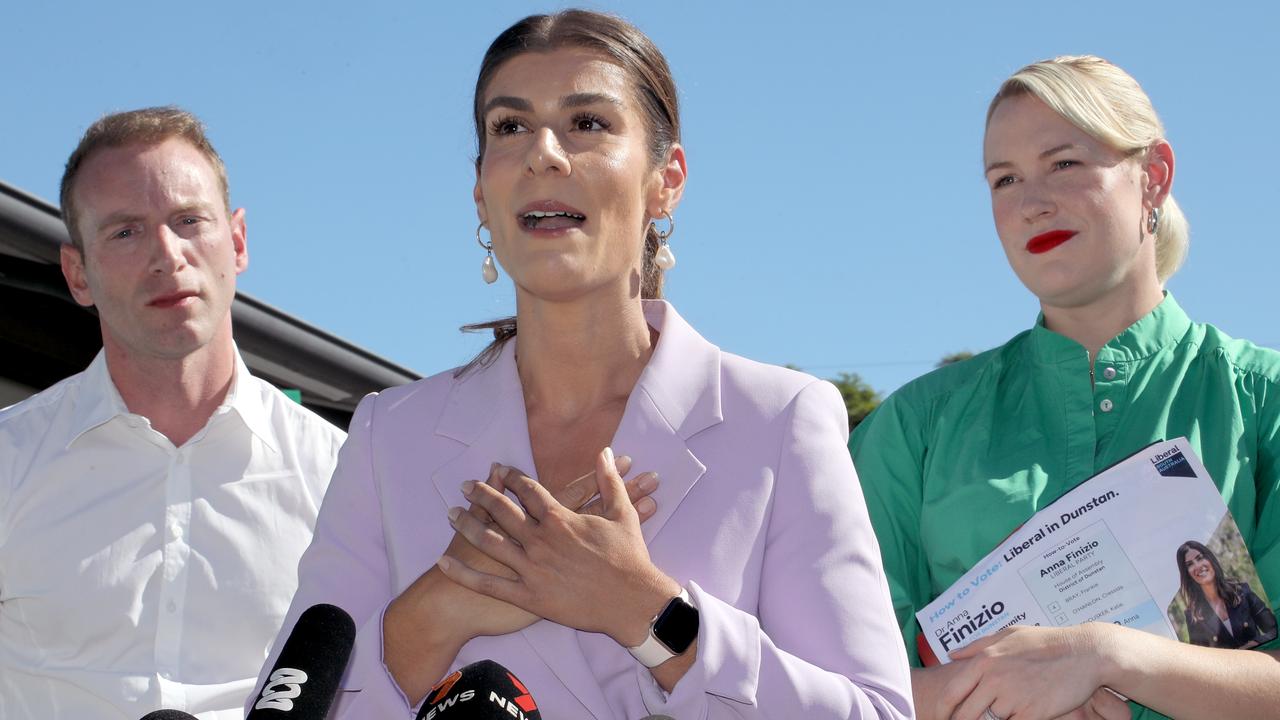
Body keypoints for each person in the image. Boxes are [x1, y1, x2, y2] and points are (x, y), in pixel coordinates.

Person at [258, 9, 913, 719]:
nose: (544, 153)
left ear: (667, 181)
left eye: (588, 124)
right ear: (482, 190)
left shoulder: (781, 421)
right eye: (510, 127)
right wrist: (440, 608)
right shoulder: (388, 434)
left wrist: (646, 613)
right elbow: (287, 708)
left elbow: (876, 713)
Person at [850, 54, 1280, 720]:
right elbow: (828, 672)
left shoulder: (1266, 402)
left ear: (1154, 177)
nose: (1032, 203)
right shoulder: (912, 431)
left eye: (1065, 164)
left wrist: (1105, 657)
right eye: (1004, 179)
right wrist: (978, 697)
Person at [0, 108, 345, 719]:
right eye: (125, 231)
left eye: (189, 221)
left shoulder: (344, 476)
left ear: (237, 242)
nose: (168, 254)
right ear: (77, 273)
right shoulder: (9, 459)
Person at [1176, 540, 1277, 650]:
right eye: (1189, 564)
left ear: (1210, 559)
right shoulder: (1193, 615)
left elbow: (1274, 629)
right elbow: (1200, 661)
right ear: (1187, 573)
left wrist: (1254, 643)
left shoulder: (1242, 591)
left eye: (1200, 558)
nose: (1198, 566)